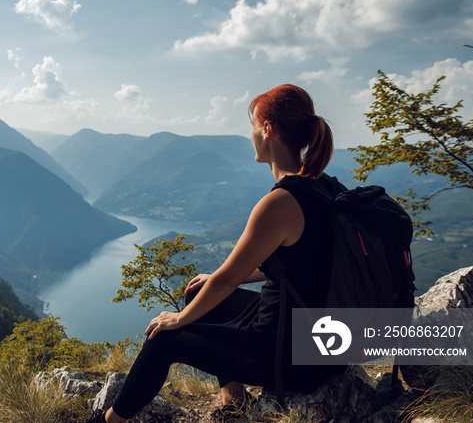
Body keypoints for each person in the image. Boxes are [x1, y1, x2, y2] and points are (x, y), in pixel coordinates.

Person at [82, 84, 345, 423]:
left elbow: (226, 281)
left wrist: (177, 320)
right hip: (321, 339)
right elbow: (301, 263)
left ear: (267, 129)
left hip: (287, 355)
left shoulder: (281, 203)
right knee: (196, 290)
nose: (251, 135)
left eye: (253, 126)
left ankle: (109, 421)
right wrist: (210, 285)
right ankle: (234, 400)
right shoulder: (325, 186)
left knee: (164, 338)